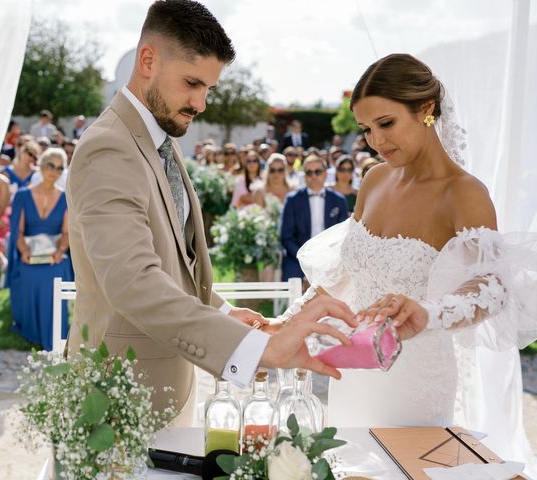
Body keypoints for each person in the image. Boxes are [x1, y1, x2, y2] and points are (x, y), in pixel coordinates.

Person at [65, 0, 356, 425]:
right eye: (191, 83)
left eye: (208, 89)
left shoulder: (159, 139)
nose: (201, 103)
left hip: (166, 385)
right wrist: (258, 350)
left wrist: (221, 313)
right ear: (148, 60)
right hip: (117, 400)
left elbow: (172, 263)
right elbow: (132, 282)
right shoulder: (109, 147)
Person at [282, 53, 537, 472]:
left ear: (426, 110)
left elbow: (490, 288)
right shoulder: (374, 180)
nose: (376, 141)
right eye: (366, 130)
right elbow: (346, 273)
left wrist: (430, 312)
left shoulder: (464, 193)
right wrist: (287, 323)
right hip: (353, 375)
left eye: (385, 124)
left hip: (414, 384)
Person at [6, 148, 73, 351]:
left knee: (56, 272)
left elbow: (67, 233)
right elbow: (18, 231)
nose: (54, 171)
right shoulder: (23, 195)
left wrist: (60, 251)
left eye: (60, 168)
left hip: (55, 255)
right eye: (50, 165)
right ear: (41, 165)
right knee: (28, 272)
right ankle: (30, 328)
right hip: (29, 253)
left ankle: (54, 333)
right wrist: (23, 250)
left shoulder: (66, 198)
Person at [280, 154, 348, 283]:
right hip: (299, 256)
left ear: (326, 174)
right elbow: (286, 237)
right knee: (293, 275)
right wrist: (303, 257)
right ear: (304, 176)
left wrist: (328, 257)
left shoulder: (338, 200)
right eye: (309, 172)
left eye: (318, 171)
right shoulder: (292, 200)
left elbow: (343, 235)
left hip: (330, 257)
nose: (314, 176)